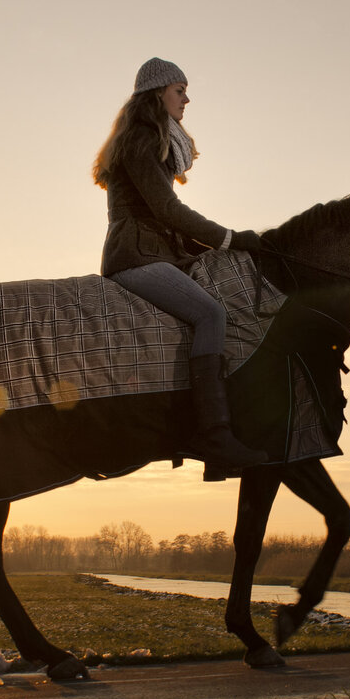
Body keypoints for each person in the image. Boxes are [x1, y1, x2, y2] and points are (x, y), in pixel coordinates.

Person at [93, 57, 267, 473]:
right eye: (179, 90)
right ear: (157, 94)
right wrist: (229, 238)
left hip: (158, 251)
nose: (187, 99)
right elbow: (167, 209)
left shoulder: (153, 139)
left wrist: (223, 250)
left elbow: (164, 218)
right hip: (134, 258)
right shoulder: (139, 138)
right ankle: (215, 436)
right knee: (210, 313)